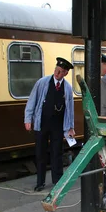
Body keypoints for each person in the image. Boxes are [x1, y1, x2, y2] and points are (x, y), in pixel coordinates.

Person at [24, 57, 75, 192]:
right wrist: (28, 119)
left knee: (56, 153)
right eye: (57, 70)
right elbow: (32, 101)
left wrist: (70, 127)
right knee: (40, 153)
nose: (58, 73)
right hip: (42, 123)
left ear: (66, 73)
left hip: (58, 125)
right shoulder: (42, 83)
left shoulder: (68, 88)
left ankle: (57, 181)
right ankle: (40, 182)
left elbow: (70, 109)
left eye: (61, 71)